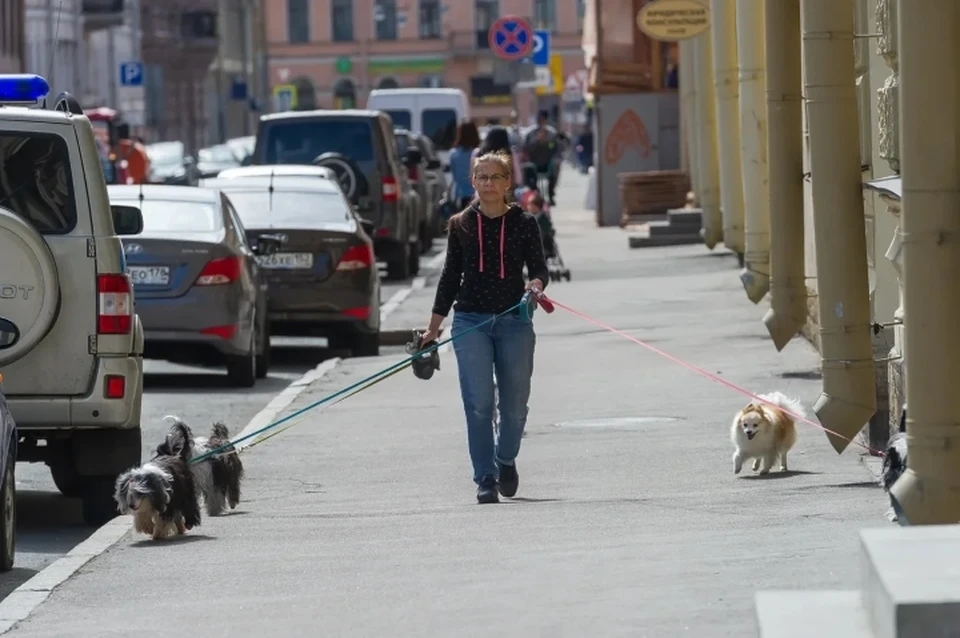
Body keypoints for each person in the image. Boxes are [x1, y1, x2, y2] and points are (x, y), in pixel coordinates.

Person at [422, 149, 550, 504]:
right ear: (473, 181)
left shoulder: (525, 224)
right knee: (478, 402)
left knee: (515, 404)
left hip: (513, 321)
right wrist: (434, 328)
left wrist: (536, 286)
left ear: (508, 182)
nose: (488, 184)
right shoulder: (461, 224)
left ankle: (505, 458)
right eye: (482, 177)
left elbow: (540, 268)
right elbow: (449, 279)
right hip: (470, 322)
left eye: (495, 177)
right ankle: (485, 477)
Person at [521, 111, 562, 206]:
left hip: (548, 162)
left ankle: (551, 195)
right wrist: (536, 141)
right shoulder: (530, 133)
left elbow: (556, 148)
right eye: (539, 120)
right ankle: (535, 195)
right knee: (527, 169)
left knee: (555, 166)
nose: (541, 122)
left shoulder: (552, 133)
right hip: (533, 161)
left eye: (543, 120)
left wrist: (547, 142)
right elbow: (525, 148)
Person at [474, 126, 523, 190]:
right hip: (506, 191)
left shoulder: (479, 153)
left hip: (484, 190)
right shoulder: (510, 153)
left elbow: (474, 174)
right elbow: (518, 177)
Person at [447, 121, 481, 209]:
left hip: (461, 195)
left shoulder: (453, 154)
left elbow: (454, 177)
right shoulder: (479, 152)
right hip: (478, 195)